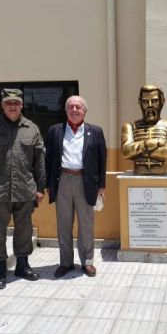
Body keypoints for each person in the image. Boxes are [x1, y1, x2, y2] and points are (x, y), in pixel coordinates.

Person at [0, 89, 46, 289]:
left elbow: (40, 161)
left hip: (25, 190)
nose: (12, 106)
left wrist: (40, 188)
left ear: (22, 104)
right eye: (8, 103)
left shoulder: (32, 128)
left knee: (24, 230)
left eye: (16, 102)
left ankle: (22, 265)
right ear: (2, 105)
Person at [45, 96, 107, 278]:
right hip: (62, 180)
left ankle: (87, 262)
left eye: (78, 107)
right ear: (66, 111)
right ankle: (65, 262)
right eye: (70, 107)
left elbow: (103, 159)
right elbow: (48, 160)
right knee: (63, 224)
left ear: (84, 111)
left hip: (85, 181)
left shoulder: (95, 131)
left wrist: (102, 185)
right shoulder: (55, 131)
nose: (74, 110)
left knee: (86, 224)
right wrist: (48, 183)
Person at [121, 84, 167, 175]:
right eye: (145, 101)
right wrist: (151, 144)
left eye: (154, 101)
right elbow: (126, 152)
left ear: (162, 102)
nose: (150, 105)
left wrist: (137, 152)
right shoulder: (129, 126)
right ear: (140, 103)